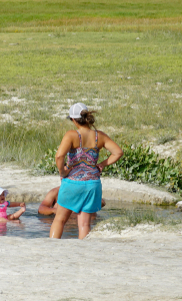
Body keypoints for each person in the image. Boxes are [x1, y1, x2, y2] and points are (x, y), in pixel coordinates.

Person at [50, 103, 123, 240]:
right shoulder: (99, 136)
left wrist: (62, 172)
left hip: (72, 183)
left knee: (59, 220)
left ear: (73, 119)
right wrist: (102, 164)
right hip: (92, 184)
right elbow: (118, 152)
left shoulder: (71, 135)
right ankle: (83, 253)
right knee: (84, 224)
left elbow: (59, 156)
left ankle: (52, 249)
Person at [38, 185, 106, 216]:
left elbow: (102, 202)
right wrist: (55, 211)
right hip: (65, 225)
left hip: (85, 223)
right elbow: (41, 209)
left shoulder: (84, 189)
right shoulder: (55, 192)